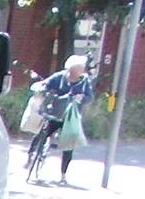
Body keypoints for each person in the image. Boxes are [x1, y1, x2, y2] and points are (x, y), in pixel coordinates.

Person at [28, 54, 96, 183]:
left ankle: (63, 174)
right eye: (79, 68)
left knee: (69, 143)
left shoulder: (85, 81)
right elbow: (45, 85)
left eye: (82, 68)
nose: (82, 70)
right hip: (55, 112)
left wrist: (82, 98)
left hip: (70, 117)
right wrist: (42, 90)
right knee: (42, 132)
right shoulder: (59, 77)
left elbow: (90, 97)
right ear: (71, 69)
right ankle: (31, 155)